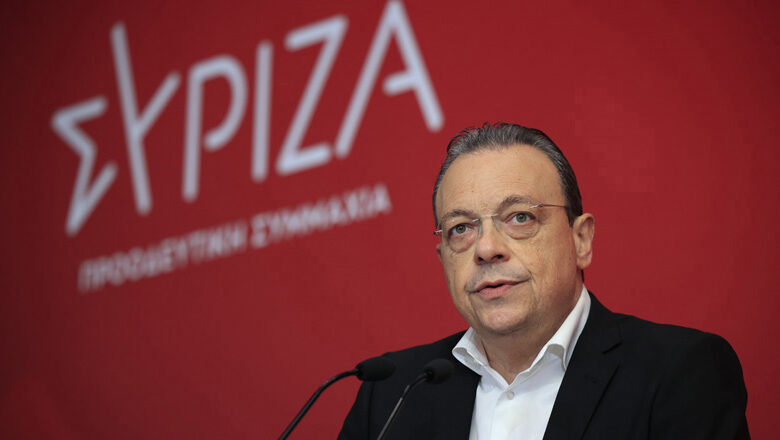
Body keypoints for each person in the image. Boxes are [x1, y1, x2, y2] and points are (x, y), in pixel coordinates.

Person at [338, 123, 749, 440]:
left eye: (520, 217)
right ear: (443, 257)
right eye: (461, 228)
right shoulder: (390, 392)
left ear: (580, 239)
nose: (486, 249)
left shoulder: (679, 372)